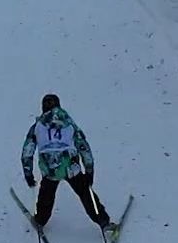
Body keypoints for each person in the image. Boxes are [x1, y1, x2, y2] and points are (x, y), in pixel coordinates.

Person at [21, 93, 113, 232]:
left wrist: (28, 173)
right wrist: (89, 171)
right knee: (85, 193)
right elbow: (83, 147)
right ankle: (103, 222)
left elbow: (27, 152)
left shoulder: (37, 127)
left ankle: (40, 220)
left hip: (50, 169)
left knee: (46, 195)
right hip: (70, 166)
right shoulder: (69, 124)